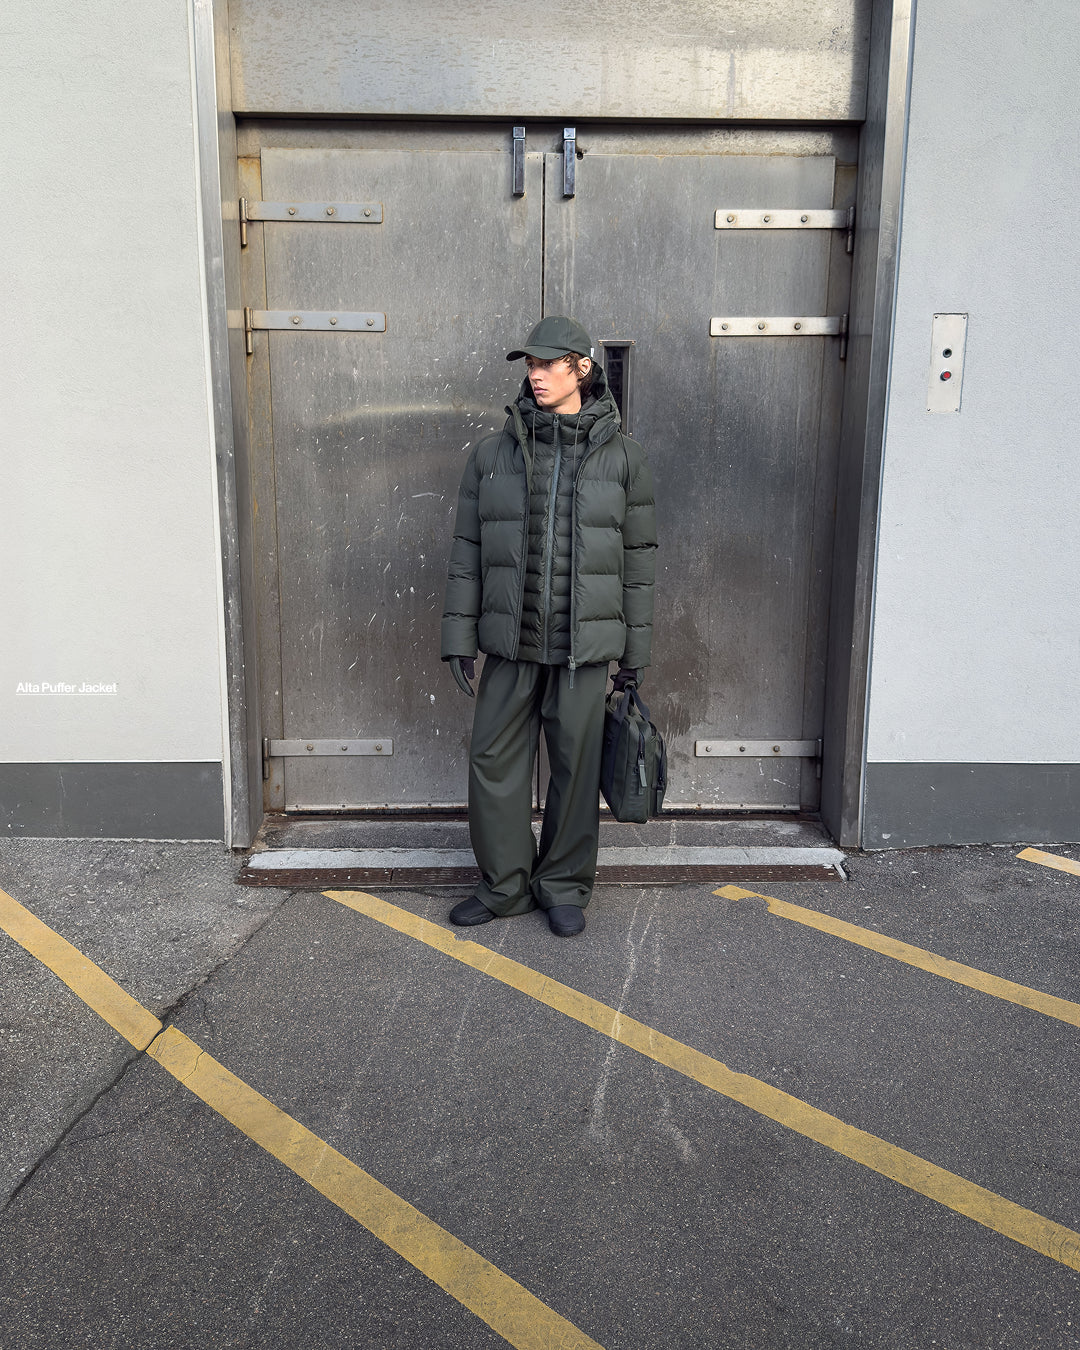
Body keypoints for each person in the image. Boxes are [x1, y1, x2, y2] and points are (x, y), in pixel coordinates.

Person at [441, 316, 657, 936]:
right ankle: (504, 885)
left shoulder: (624, 459)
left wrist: (634, 653)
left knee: (577, 770)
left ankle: (562, 885)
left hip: (582, 648)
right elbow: (467, 553)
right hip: (510, 644)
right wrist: (459, 637)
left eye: (546, 364)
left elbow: (639, 563)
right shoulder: (492, 456)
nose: (535, 375)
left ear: (580, 369)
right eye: (530, 365)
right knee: (493, 764)